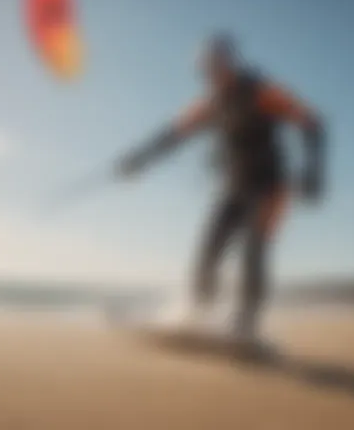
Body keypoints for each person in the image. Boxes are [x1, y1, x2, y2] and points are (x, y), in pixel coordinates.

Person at [115, 33, 326, 341]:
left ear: (230, 62)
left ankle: (246, 327)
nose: (210, 74)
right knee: (207, 252)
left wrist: (314, 173)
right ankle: (195, 315)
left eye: (216, 65)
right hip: (234, 188)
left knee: (253, 251)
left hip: (269, 187)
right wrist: (139, 160)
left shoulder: (262, 92)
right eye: (205, 69)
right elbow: (172, 136)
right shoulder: (210, 104)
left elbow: (312, 122)